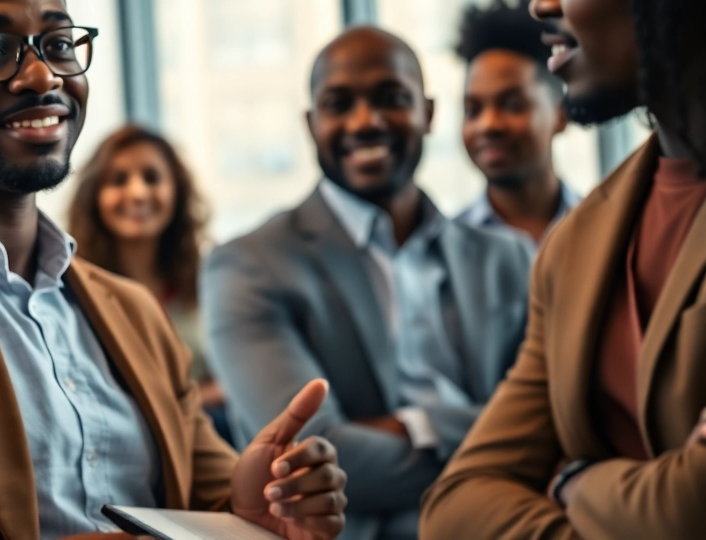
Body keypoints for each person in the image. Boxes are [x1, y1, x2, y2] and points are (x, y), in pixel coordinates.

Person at [0, 0, 349, 540]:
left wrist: (254, 511)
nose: (41, 76)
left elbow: (207, 502)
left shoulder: (132, 312)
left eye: (59, 44)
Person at [421, 0, 706, 539]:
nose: (545, 0)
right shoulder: (579, 245)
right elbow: (455, 506)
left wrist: (575, 480)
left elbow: (692, 506)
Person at [203, 27, 533, 540]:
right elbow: (309, 455)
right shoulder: (248, 265)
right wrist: (496, 441)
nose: (365, 122)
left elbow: (550, 418)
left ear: (429, 113)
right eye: (339, 104)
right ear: (311, 124)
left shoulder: (507, 257)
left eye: (390, 99)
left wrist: (409, 426)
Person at [67, 125, 228, 433]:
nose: (138, 193)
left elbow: (236, 379)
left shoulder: (210, 281)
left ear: (177, 191)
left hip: (208, 434)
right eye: (118, 180)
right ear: (94, 196)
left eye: (152, 178)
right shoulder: (70, 291)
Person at [454, 0, 581, 248]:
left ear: (561, 114)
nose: (488, 125)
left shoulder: (608, 229)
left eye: (512, 105)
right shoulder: (447, 251)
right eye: (472, 110)